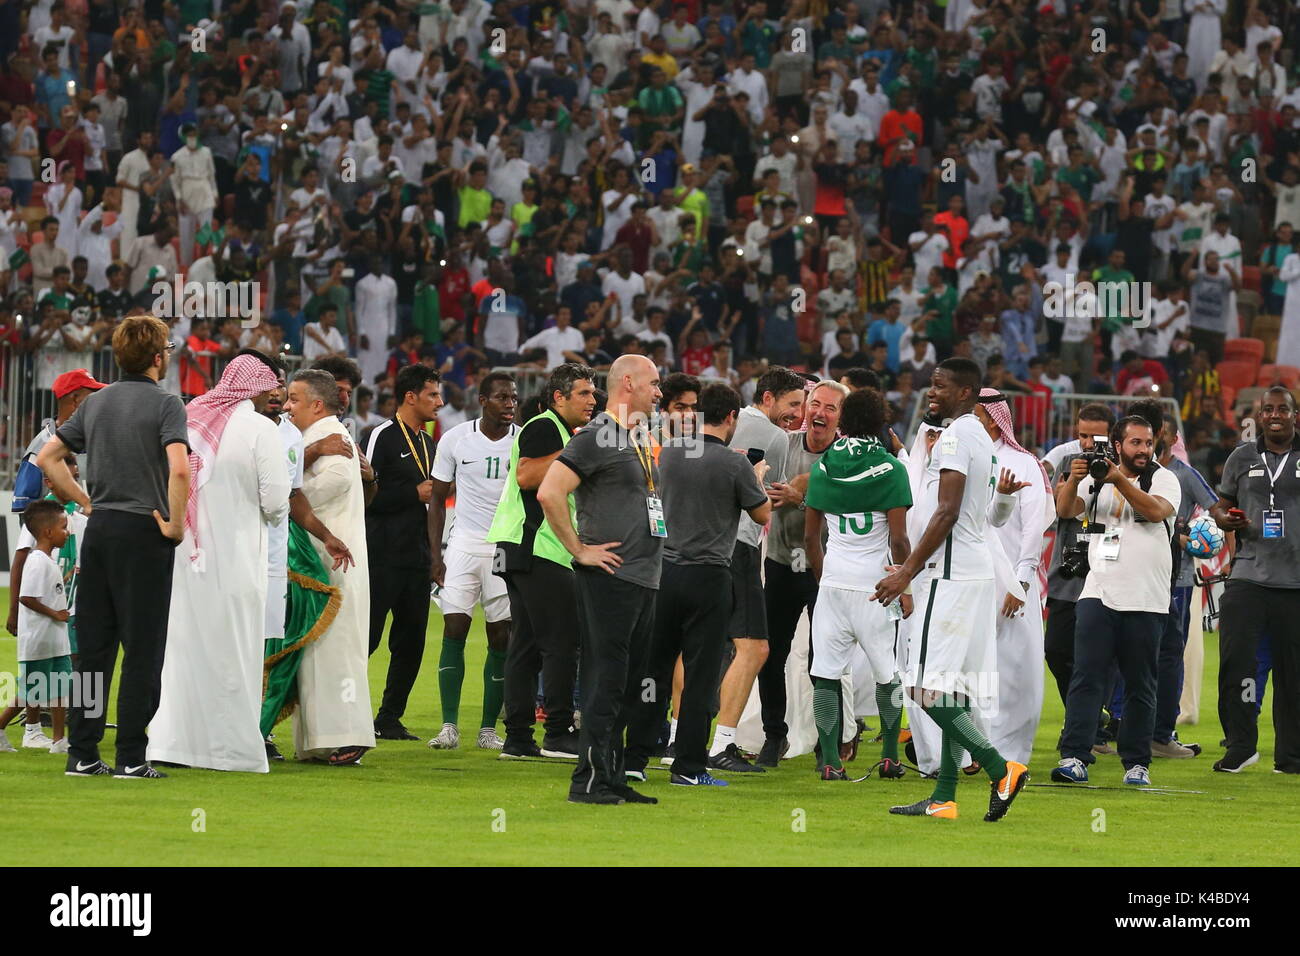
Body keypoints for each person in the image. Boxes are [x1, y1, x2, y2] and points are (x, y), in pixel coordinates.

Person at [873, 358, 1030, 821]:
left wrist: (906, 572)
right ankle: (944, 796)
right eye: (931, 385)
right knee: (953, 693)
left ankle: (1001, 768)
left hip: (948, 577)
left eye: (940, 386)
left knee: (921, 688)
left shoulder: (959, 436)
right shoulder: (980, 436)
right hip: (972, 575)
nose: (930, 391)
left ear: (966, 393)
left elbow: (947, 511)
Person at [37, 315, 191, 779]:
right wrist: (176, 525)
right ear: (158, 356)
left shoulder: (96, 404)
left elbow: (49, 456)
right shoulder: (167, 405)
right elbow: (180, 470)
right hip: (144, 530)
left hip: (101, 529)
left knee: (96, 649)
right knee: (143, 649)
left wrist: (84, 501)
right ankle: (131, 756)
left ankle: (82, 753)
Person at [146, 355, 290, 772]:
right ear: (256, 386)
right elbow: (278, 502)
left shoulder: (189, 418)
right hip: (237, 558)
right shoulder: (261, 429)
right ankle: (230, 750)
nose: (273, 396)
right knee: (235, 651)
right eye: (270, 387)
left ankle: (174, 744)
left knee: (184, 651)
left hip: (184, 560)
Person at [624, 382, 770, 787]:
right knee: (700, 676)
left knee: (653, 671)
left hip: (663, 573)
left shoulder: (669, 452)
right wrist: (756, 477)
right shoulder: (734, 464)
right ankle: (687, 766)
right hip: (709, 576)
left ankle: (634, 757)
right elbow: (760, 515)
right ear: (732, 418)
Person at [538, 354, 664, 806]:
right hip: (611, 576)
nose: (659, 391)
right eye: (653, 383)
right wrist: (579, 550)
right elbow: (549, 491)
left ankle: (610, 776)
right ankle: (587, 780)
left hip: (644, 575)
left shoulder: (635, 437)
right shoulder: (595, 436)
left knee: (629, 684)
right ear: (627, 383)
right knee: (605, 680)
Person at [1051, 414, 1180, 786]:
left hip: (1146, 598)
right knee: (1086, 676)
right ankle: (1075, 756)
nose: (1144, 449)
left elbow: (1155, 512)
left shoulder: (1164, 478)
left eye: (1148, 442)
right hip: (1099, 592)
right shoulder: (1096, 477)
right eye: (1136, 443)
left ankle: (1136, 763)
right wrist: (1075, 478)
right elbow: (1064, 511)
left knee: (1141, 684)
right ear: (1118, 445)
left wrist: (1118, 479)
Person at [804, 387, 913, 780]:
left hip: (833, 585)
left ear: (844, 420)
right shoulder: (891, 468)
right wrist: (905, 586)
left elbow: (810, 538)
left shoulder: (823, 465)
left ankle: (831, 761)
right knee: (888, 675)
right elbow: (899, 540)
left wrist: (824, 580)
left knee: (826, 675)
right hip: (876, 588)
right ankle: (888, 757)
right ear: (881, 421)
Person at [490, 364, 597, 760]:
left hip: (522, 544)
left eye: (593, 393)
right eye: (584, 393)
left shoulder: (558, 430)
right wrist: (581, 448)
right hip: (538, 546)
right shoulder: (544, 426)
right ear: (559, 397)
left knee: (527, 645)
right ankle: (558, 731)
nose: (592, 400)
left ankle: (518, 738)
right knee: (561, 643)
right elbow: (527, 475)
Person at [713, 365, 807, 772]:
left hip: (702, 548)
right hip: (742, 548)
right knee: (756, 648)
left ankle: (681, 739)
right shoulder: (774, 437)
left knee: (704, 647)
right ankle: (723, 743)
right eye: (792, 404)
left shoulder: (725, 426)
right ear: (767, 398)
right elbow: (771, 499)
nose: (798, 415)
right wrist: (802, 485)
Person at [283, 369, 376, 765]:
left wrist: (288, 497)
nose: (286, 407)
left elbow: (330, 484)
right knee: (316, 651)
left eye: (293, 399)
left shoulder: (332, 441)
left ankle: (350, 736)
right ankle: (319, 741)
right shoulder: (315, 441)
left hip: (335, 562)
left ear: (316, 405)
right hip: (318, 560)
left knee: (337, 648)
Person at [753, 380, 845, 768]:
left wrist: (803, 498)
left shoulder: (846, 456)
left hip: (825, 568)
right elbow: (759, 492)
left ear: (841, 417)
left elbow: (851, 510)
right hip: (779, 561)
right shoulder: (782, 444)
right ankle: (775, 736)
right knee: (770, 652)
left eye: (830, 408)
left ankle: (830, 743)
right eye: (815, 404)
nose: (819, 413)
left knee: (824, 658)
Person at [427, 372, 520, 751]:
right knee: (454, 630)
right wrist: (436, 556)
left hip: (503, 548)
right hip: (464, 544)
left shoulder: (524, 441)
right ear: (482, 400)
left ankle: (487, 729)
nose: (510, 403)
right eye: (502, 397)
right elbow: (436, 500)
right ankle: (449, 726)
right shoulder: (455, 438)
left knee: (501, 636)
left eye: (513, 397)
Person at [1210, 386, 1300, 774]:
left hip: (1296, 582)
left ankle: (1291, 755)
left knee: (1293, 675)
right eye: (1268, 409)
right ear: (1258, 415)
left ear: (1295, 415)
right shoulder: (1242, 456)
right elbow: (1220, 501)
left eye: (1283, 409)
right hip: (1247, 573)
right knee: (1238, 665)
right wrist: (1223, 517)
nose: (1275, 414)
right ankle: (1241, 746)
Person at [972, 389, 1053, 767]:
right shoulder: (969, 457)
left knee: (1015, 672)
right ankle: (979, 750)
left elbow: (1034, 528)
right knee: (977, 671)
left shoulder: (1023, 464)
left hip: (1012, 584)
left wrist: (1022, 581)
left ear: (991, 418)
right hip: (972, 580)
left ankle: (1011, 755)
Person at [363, 364, 442, 741]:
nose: (439, 403)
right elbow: (364, 497)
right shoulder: (381, 435)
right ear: (410, 396)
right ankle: (346, 711)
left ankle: (389, 718)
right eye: (432, 395)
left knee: (411, 642)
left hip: (416, 557)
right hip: (382, 555)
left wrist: (434, 556)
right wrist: (413, 494)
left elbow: (433, 504)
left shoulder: (428, 443)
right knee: (367, 638)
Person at [0, 500, 72, 754]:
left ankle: (59, 741)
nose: (68, 532)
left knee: (61, 688)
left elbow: (47, 592)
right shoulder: (37, 561)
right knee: (32, 691)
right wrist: (56, 614)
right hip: (39, 641)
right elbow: (26, 598)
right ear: (48, 532)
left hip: (56, 640)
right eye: (64, 527)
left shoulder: (48, 562)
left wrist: (65, 579)